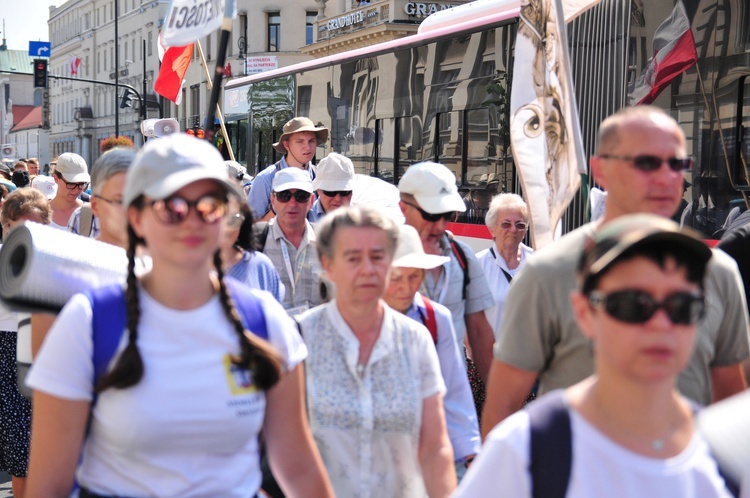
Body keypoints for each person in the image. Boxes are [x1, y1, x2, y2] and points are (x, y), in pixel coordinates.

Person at [25, 134, 334, 497]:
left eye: (209, 205)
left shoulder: (265, 320)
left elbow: (298, 468)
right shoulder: (87, 324)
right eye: (171, 206)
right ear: (137, 218)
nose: (191, 220)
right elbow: (49, 487)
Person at [482, 106, 750, 438]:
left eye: (677, 164)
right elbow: (502, 409)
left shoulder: (718, 272)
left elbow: (732, 402)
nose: (666, 177)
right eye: (647, 163)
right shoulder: (547, 273)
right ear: (601, 170)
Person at [455, 214, 736, 498]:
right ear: (584, 314)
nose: (661, 324)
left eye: (683, 305)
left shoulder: (728, 459)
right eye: (632, 304)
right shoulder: (525, 450)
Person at [297, 205, 456, 497]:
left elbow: (435, 447)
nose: (368, 269)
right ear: (328, 264)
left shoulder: (415, 339)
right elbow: (282, 448)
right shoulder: (300, 338)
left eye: (378, 257)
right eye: (354, 258)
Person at [384, 224, 480, 483]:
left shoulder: (437, 318)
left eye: (414, 276)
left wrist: (469, 453)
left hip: (428, 450)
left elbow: (455, 388)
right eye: (396, 278)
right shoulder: (360, 318)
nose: (406, 287)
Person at [398, 162, 496, 383]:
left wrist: (499, 401)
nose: (440, 225)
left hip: (451, 395)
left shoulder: (463, 256)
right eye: (432, 215)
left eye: (447, 215)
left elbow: (479, 331)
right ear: (403, 207)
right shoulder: (380, 258)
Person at [0, 187, 53, 498]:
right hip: (7, 352)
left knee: (35, 454)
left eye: (35, 227)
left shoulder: (56, 259)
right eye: (17, 227)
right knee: (19, 457)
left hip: (43, 353)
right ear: (6, 225)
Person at [258, 167, 325, 313]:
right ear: (273, 200)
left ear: (311, 200)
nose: (292, 203)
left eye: (301, 196)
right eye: (284, 195)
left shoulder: (327, 243)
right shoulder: (256, 240)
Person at [248, 117, 328, 221]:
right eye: (300, 141)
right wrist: (276, 210)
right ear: (286, 144)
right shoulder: (265, 180)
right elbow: (251, 229)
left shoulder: (320, 177)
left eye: (311, 141)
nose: (307, 147)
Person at [476, 193, 533, 335]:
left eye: (519, 225)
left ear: (525, 231)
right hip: (492, 354)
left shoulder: (537, 261)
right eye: (506, 224)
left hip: (531, 355)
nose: (513, 229)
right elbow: (466, 317)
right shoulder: (477, 265)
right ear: (492, 229)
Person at [221, 199, 286, 303]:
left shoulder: (261, 265)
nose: (224, 228)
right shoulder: (187, 270)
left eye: (233, 220)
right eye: (213, 217)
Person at [68, 148, 135, 242]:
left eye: (138, 199)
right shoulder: (81, 217)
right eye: (120, 201)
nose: (134, 209)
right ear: (96, 205)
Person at [308, 152, 355, 222]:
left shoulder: (363, 222)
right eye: (331, 192)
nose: (338, 199)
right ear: (318, 190)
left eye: (344, 192)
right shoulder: (304, 218)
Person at [49, 152, 90, 230]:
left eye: (81, 184)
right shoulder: (39, 213)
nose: (76, 189)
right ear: (56, 178)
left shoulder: (91, 213)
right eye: (71, 184)